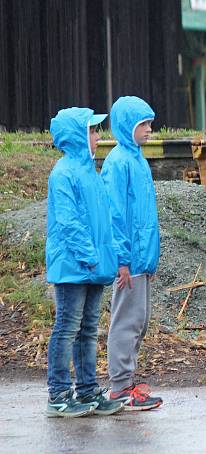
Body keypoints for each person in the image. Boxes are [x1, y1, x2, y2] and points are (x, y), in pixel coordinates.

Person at [45, 107, 125, 418]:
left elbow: (105, 222)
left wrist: (110, 256)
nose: (98, 136)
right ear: (78, 135)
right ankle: (59, 393)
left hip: (93, 266)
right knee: (67, 328)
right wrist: (91, 256)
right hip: (73, 266)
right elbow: (69, 223)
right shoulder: (63, 173)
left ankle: (88, 391)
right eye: (92, 131)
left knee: (88, 329)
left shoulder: (91, 173)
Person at [102, 96, 163, 411]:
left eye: (150, 123)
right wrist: (122, 260)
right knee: (126, 321)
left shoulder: (136, 159)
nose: (149, 129)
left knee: (137, 319)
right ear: (127, 126)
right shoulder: (119, 162)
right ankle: (120, 388)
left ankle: (125, 382)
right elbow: (115, 216)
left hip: (141, 259)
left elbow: (143, 216)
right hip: (130, 260)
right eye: (143, 124)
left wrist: (148, 258)